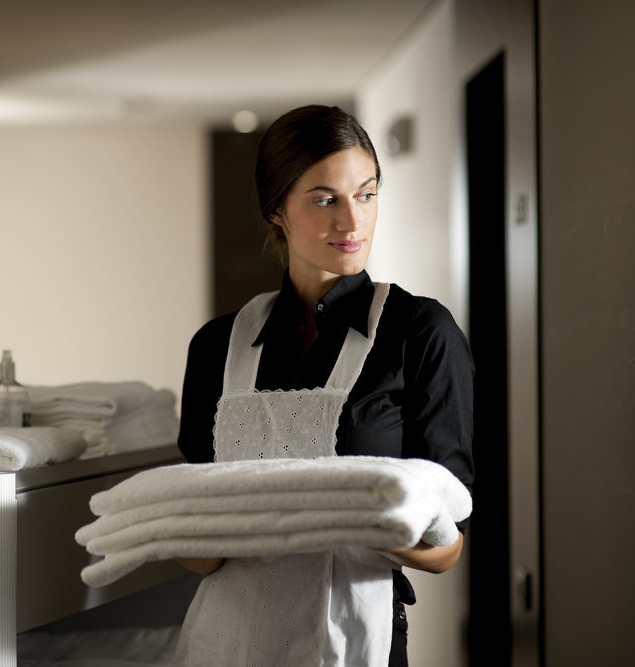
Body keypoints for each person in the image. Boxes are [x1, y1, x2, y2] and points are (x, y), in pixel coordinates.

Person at [173, 105, 474, 666]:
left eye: (366, 193)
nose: (352, 222)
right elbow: (199, 557)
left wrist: (331, 517)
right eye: (324, 199)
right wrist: (195, 530)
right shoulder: (217, 345)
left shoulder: (420, 332)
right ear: (276, 211)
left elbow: (447, 546)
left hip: (360, 633)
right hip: (230, 637)